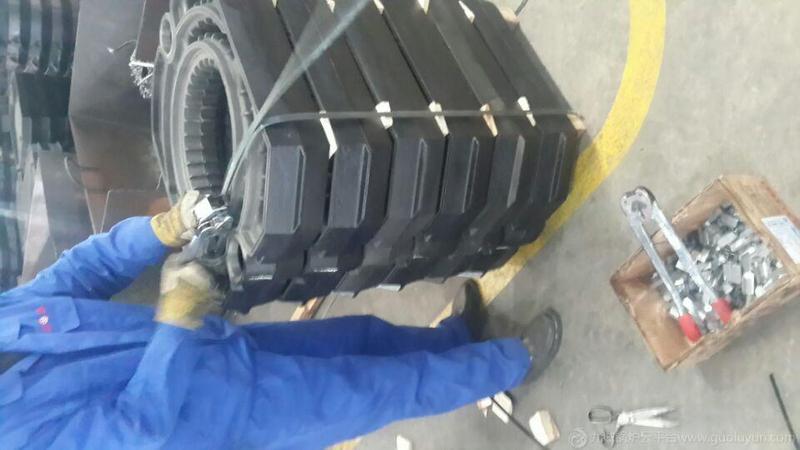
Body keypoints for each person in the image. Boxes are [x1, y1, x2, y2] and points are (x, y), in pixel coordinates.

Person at [0, 191, 562, 449]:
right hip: (226, 417)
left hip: (218, 347)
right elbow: (136, 429)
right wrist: (175, 322)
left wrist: (159, 230)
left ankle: (454, 341)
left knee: (358, 339)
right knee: (380, 388)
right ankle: (511, 363)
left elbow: (80, 274)